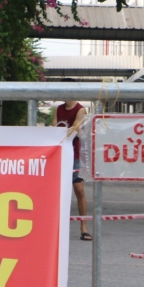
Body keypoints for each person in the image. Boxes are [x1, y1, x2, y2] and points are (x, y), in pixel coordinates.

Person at [54, 81, 90, 241]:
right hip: (60, 153)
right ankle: (56, 227)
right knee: (58, 190)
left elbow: (74, 129)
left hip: (74, 153)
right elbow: (54, 127)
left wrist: (62, 131)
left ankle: (84, 227)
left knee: (79, 189)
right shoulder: (59, 109)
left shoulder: (80, 109)